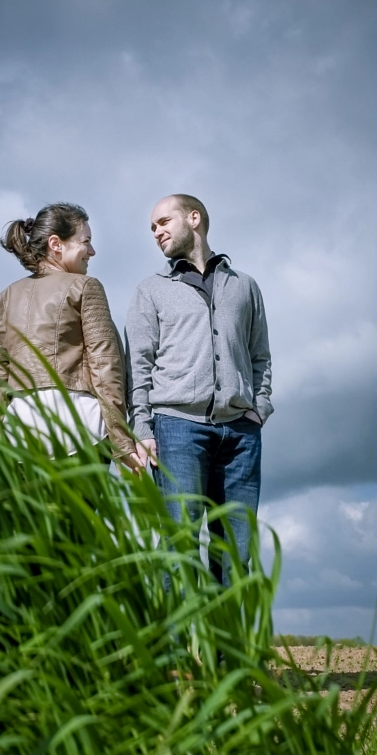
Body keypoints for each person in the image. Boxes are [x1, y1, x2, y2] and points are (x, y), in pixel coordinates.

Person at [125, 194, 272, 580]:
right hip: (177, 428)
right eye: (152, 228)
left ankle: (227, 643)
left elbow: (260, 356)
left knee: (237, 552)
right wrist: (141, 427)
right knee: (179, 546)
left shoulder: (245, 286)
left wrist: (260, 408)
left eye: (162, 222)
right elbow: (137, 364)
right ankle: (172, 643)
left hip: (241, 433)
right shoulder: (150, 290)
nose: (156, 232)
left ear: (194, 218)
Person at [0, 202, 137, 469]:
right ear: (56, 244)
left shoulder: (4, 298)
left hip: (19, 435)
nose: (92, 251)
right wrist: (121, 440)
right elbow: (105, 368)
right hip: (80, 429)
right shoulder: (86, 287)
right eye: (86, 241)